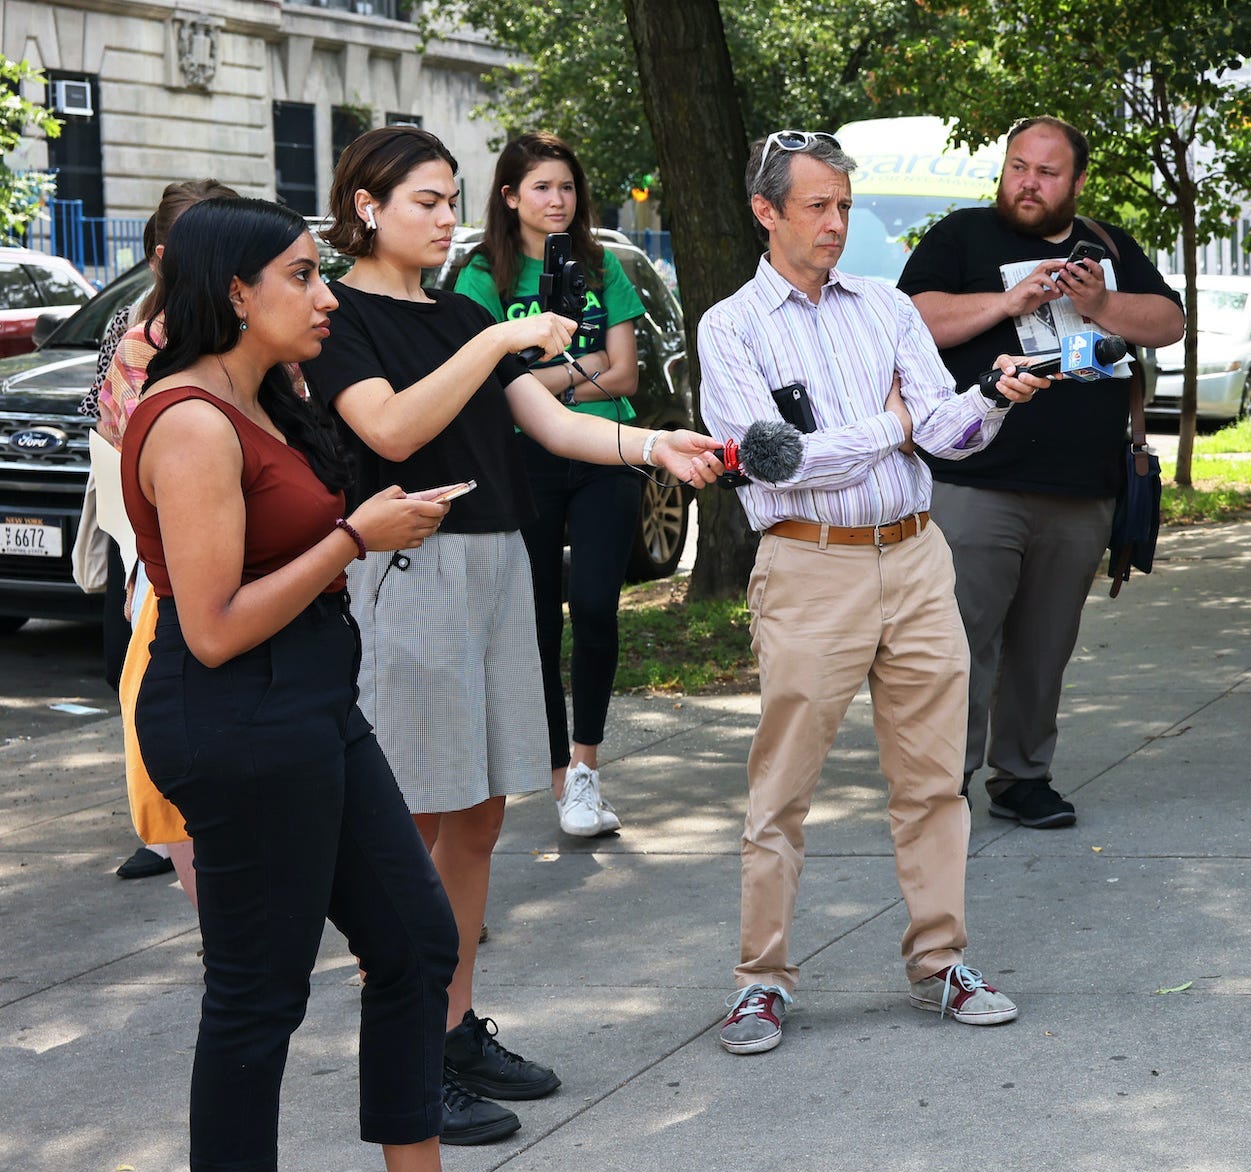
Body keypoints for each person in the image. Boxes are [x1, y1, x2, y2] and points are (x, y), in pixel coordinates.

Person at [125, 194, 552, 1172]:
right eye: (303, 276)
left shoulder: (269, 394)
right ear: (236, 292)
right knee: (257, 992)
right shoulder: (188, 421)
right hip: (239, 716)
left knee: (414, 939)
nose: (325, 294)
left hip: (315, 703)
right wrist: (356, 540)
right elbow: (215, 628)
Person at [302, 126, 723, 1144]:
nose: (449, 216)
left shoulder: (456, 312)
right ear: (364, 206)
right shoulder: (338, 317)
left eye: (452, 199)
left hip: (497, 564)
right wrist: (491, 341)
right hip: (404, 575)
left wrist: (652, 442)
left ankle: (450, 1027)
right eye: (427, 202)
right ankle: (404, 1056)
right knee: (403, 827)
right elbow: (391, 431)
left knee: (480, 816)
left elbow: (552, 422)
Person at [701, 130, 1053, 1055]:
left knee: (936, 780)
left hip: (916, 556)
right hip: (809, 566)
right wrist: (890, 422)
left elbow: (942, 430)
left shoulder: (888, 307)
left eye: (845, 206)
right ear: (766, 210)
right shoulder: (731, 325)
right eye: (817, 206)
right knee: (782, 788)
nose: (836, 223)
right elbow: (776, 462)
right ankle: (760, 980)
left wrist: (991, 399)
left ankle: (940, 961)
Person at [899, 115, 1182, 829]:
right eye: (1018, 166)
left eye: (1046, 172)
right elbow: (910, 320)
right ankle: (941, 786)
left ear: (1077, 182)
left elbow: (1169, 322)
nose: (1028, 182)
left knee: (1045, 645)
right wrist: (1009, 300)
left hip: (1080, 487)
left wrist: (1100, 303)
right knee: (959, 643)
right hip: (974, 482)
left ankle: (1023, 776)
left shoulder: (1108, 249)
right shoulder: (961, 237)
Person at [454, 133, 647, 838]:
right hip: (521, 463)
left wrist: (529, 372)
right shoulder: (482, 276)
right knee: (534, 622)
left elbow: (625, 376)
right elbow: (479, 384)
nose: (557, 200)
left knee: (596, 607)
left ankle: (589, 766)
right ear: (510, 195)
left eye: (566, 187)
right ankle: (562, 778)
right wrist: (579, 366)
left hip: (606, 454)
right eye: (541, 187)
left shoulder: (603, 268)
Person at [86, 178, 241, 894]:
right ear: (162, 258)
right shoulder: (136, 335)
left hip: (248, 550)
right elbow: (112, 450)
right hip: (162, 561)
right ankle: (186, 855)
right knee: (166, 700)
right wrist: (136, 565)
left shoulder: (263, 329)